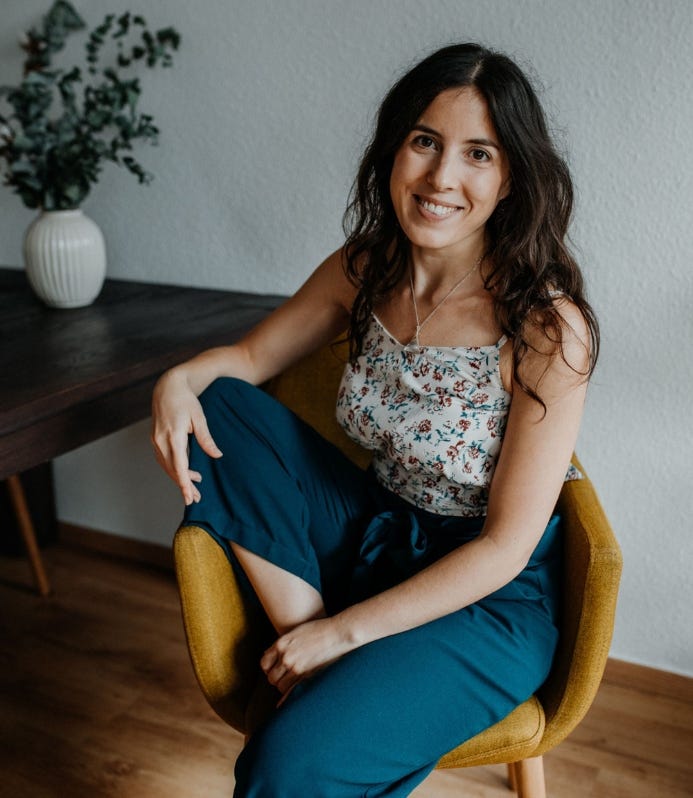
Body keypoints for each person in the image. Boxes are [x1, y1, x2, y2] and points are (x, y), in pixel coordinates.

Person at [152, 42, 599, 797]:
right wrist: (175, 381)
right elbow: (246, 360)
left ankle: (322, 659)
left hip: (486, 594)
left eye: (478, 154)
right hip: (377, 533)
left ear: (511, 178)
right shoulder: (364, 267)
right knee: (222, 405)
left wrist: (344, 631)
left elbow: (503, 547)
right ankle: (307, 654)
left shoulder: (545, 326)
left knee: (286, 765)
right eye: (425, 141)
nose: (441, 177)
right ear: (394, 149)